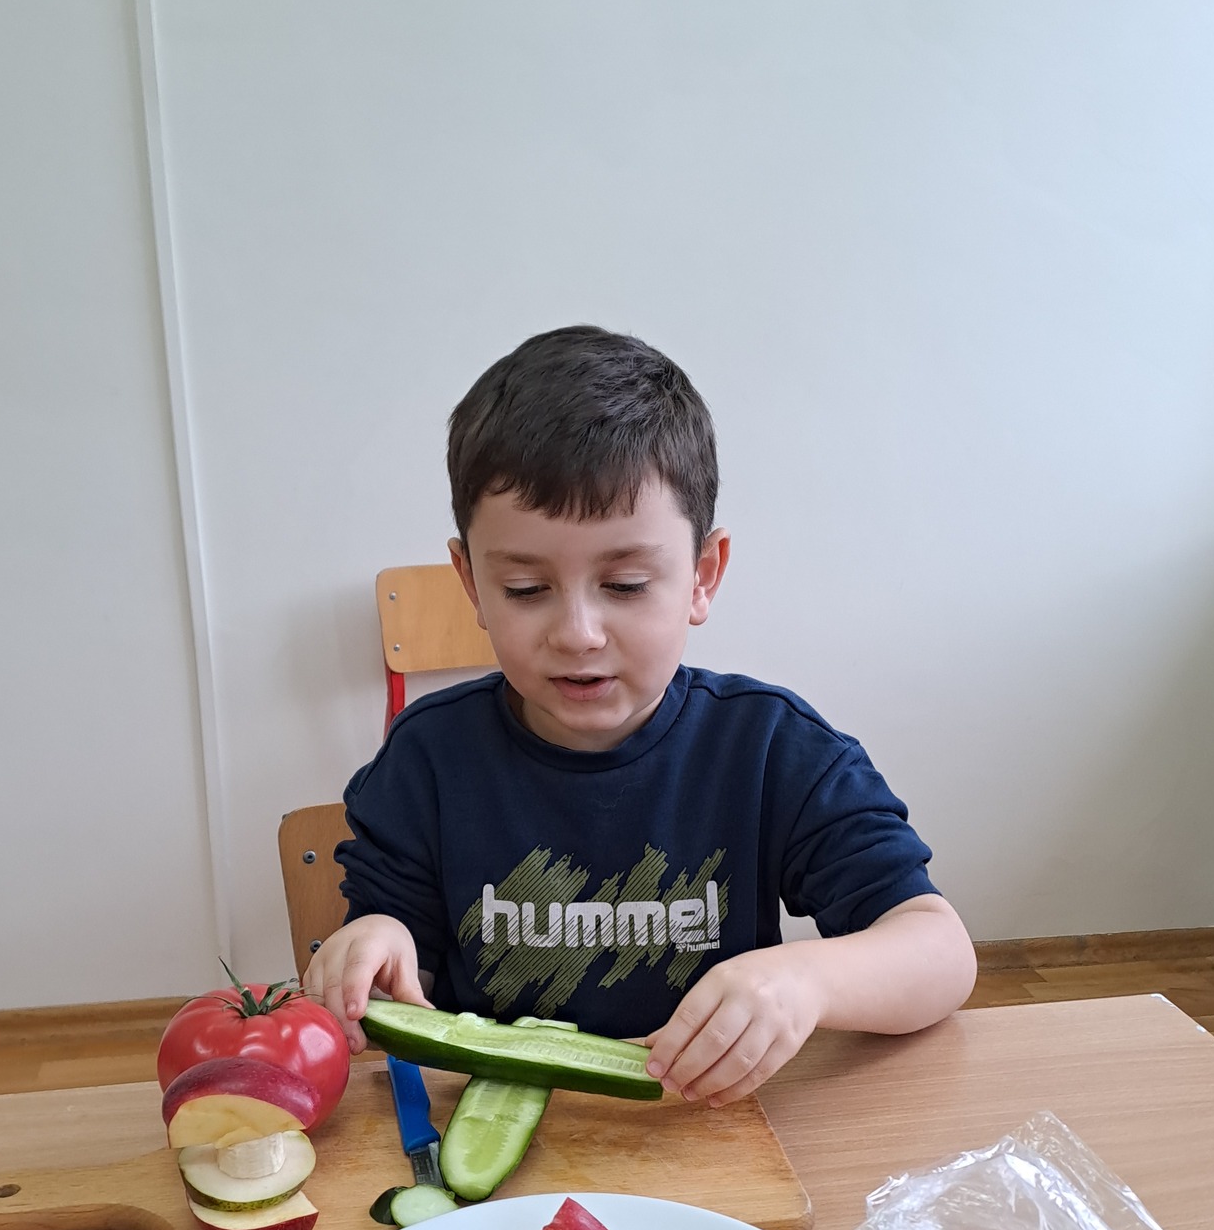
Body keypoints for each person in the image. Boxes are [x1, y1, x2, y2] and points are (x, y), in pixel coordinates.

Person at [303, 326, 976, 1106]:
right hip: (496, 1133)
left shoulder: (770, 750)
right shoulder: (427, 759)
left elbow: (941, 951)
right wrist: (376, 942)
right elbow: (397, 951)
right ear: (472, 584)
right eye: (526, 589)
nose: (578, 633)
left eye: (624, 585)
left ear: (702, 576)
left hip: (701, 1125)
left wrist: (805, 981)